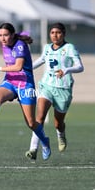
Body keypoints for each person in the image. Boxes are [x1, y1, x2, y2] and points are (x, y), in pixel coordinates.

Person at [0, 23, 51, 160]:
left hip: (25, 85)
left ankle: (45, 142)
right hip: (10, 82)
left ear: (12, 35)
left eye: (5, 35)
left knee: (31, 123)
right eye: (0, 35)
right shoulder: (4, 45)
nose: (2, 38)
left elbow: (18, 67)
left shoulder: (20, 45)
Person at [25, 22, 84, 160]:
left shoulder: (69, 48)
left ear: (63, 34)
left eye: (58, 32)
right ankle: (33, 149)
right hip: (46, 86)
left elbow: (80, 67)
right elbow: (41, 60)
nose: (55, 35)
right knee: (38, 119)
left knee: (58, 123)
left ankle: (60, 135)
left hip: (63, 89)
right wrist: (25, 69)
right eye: (52, 33)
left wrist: (67, 70)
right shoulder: (47, 47)